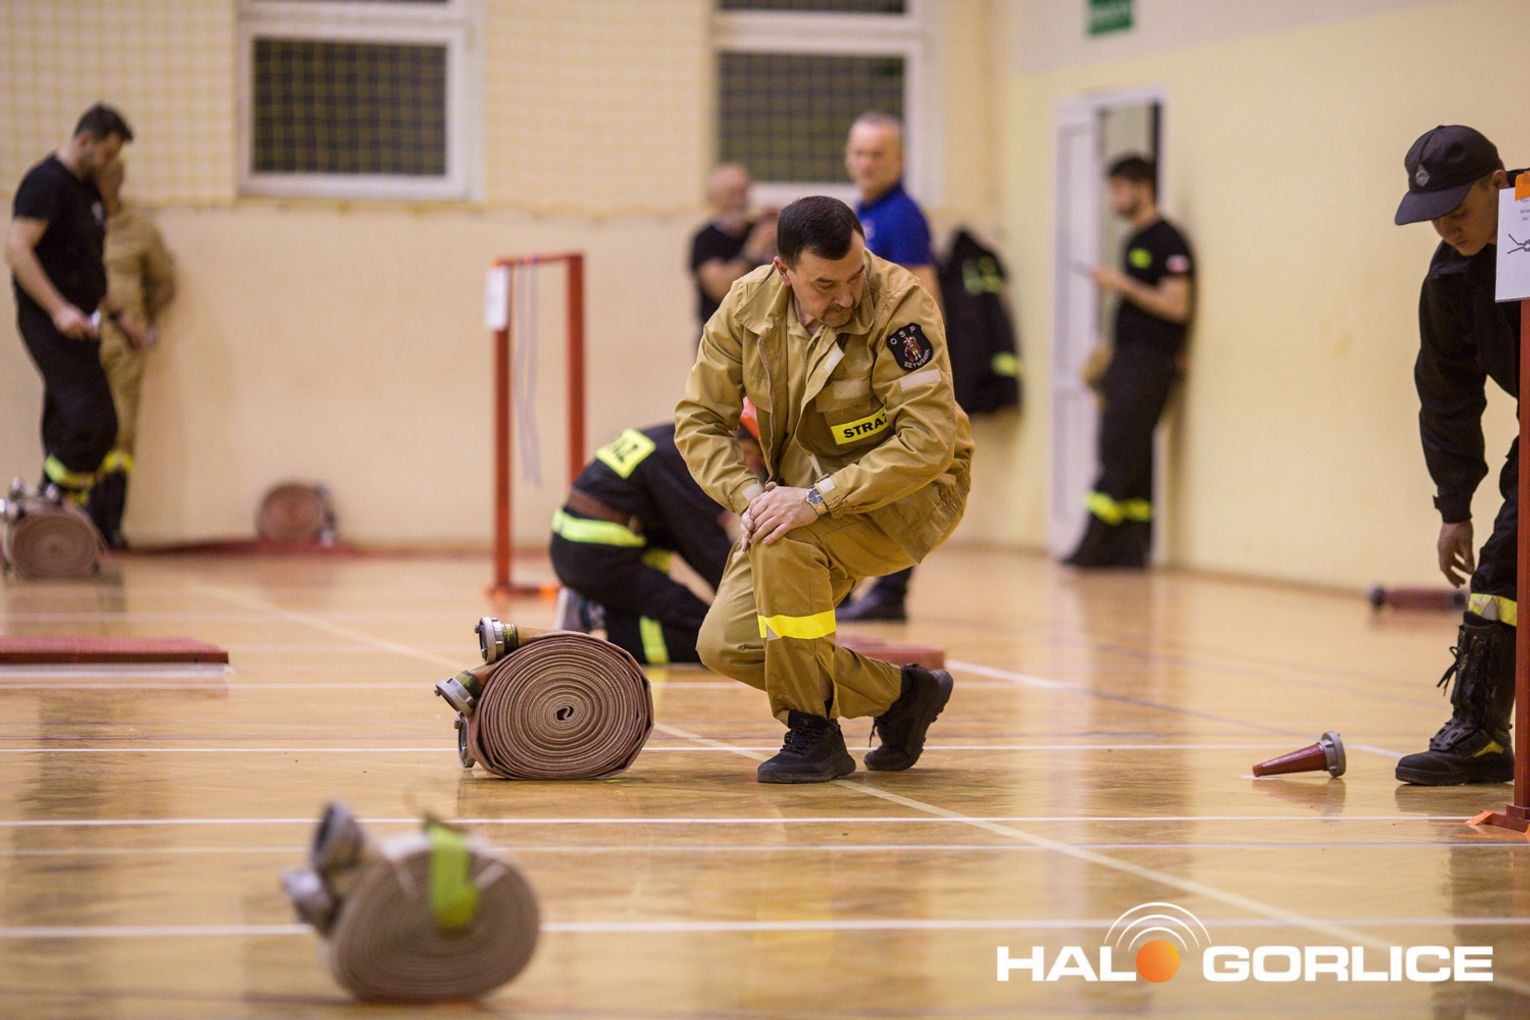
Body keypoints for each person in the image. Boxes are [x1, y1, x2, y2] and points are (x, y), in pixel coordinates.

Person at [675, 196, 972, 784]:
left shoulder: (900, 304)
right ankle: (903, 694)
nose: (847, 296)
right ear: (783, 270)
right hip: (801, 491)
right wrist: (750, 497)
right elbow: (700, 421)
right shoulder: (746, 305)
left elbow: (927, 440)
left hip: (910, 492)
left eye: (855, 275)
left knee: (785, 543)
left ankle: (813, 733)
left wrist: (815, 499)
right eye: (825, 285)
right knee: (728, 643)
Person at [1392, 125, 1522, 786]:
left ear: (1498, 184)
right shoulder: (1451, 276)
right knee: (1503, 569)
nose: (1447, 227)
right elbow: (1446, 393)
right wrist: (1454, 507)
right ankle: (1479, 733)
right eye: (1434, 216)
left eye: (1458, 210)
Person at [5, 103, 148, 509]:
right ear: (85, 140)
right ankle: (44, 505)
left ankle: (49, 514)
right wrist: (58, 309)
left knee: (70, 425)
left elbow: (89, 269)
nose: (110, 163)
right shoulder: (46, 183)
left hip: (85, 323)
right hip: (51, 323)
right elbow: (16, 249)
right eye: (107, 153)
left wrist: (120, 317)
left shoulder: (87, 191)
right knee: (93, 423)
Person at [1063, 154, 1194, 569]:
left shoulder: (1167, 240)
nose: (1114, 199)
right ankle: (1127, 548)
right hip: (1127, 359)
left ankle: (1089, 547)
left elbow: (1177, 306)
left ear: (1143, 188)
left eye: (1121, 189)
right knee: (1131, 456)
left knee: (1118, 451)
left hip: (1150, 363)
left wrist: (1122, 285)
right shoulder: (1132, 240)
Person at [838, 110, 941, 622]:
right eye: (859, 153)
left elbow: (925, 297)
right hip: (862, 368)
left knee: (896, 480)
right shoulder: (864, 212)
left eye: (877, 154)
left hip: (893, 372)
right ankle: (852, 584)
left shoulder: (902, 216)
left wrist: (916, 375)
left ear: (899, 159)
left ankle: (891, 590)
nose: (866, 163)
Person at [90, 157, 176, 548]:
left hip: (125, 346)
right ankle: (80, 521)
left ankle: (111, 522)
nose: (106, 182)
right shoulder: (76, 223)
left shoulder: (140, 229)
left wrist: (142, 318)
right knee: (84, 428)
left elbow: (165, 283)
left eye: (113, 175)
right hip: (82, 342)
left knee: (122, 431)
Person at [689, 163, 777, 332]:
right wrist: (752, 251)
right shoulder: (704, 239)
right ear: (714, 198)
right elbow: (720, 289)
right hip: (719, 334)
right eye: (731, 194)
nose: (738, 201)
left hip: (759, 332)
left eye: (743, 192)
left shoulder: (759, 229)